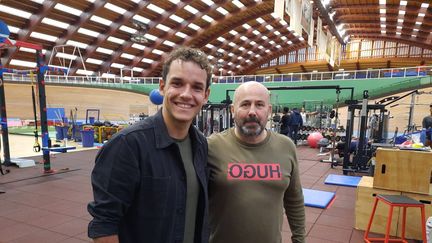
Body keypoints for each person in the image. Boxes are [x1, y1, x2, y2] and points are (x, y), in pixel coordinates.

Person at [87, 47, 212, 243]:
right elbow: (104, 225)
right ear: (162, 87)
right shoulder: (127, 146)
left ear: (205, 95)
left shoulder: (201, 145)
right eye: (177, 83)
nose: (186, 94)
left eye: (196, 87)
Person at [207, 81, 306, 243]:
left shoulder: (286, 146)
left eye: (259, 105)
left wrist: (300, 240)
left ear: (269, 110)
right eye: (245, 104)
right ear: (233, 110)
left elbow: (294, 200)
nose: (252, 111)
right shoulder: (212, 147)